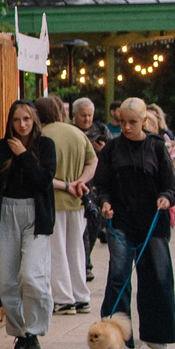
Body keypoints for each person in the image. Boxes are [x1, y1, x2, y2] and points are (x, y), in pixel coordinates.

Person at [94, 97, 175, 349]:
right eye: (122, 122)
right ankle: (114, 335)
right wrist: (104, 202)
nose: (127, 127)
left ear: (144, 121)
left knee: (157, 276)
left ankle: (157, 334)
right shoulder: (111, 149)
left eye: (132, 122)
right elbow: (101, 185)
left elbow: (173, 187)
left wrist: (166, 197)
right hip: (120, 222)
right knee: (118, 276)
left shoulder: (156, 147)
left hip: (153, 224)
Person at [0, 100, 56, 349]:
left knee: (31, 275)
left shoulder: (45, 146)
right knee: (7, 281)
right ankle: (20, 334)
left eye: (26, 119)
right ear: (10, 122)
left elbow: (44, 180)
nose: (22, 124)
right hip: (6, 213)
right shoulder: (0, 148)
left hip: (36, 215)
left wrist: (23, 154)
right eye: (16, 120)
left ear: (34, 120)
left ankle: (34, 331)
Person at [35, 94, 97, 315]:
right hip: (77, 201)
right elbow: (93, 161)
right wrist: (81, 181)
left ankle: (63, 298)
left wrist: (66, 185)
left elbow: (39, 174)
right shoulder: (77, 133)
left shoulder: (41, 137)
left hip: (52, 200)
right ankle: (81, 296)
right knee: (76, 249)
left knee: (56, 250)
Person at [72, 96, 106, 282]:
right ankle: (85, 265)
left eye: (89, 115)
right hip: (76, 184)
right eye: (83, 115)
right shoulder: (70, 131)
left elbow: (111, 152)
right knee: (81, 228)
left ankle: (86, 260)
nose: (86, 119)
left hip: (96, 185)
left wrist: (102, 150)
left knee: (94, 224)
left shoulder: (100, 131)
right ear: (74, 115)